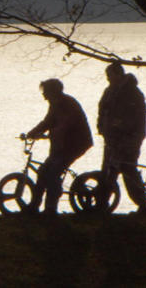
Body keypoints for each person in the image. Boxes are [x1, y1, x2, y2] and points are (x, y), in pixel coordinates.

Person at [24, 78, 93, 215]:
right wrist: (32, 133)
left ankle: (51, 208)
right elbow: (47, 122)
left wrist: (54, 132)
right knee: (43, 171)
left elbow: (67, 124)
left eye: (45, 92)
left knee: (53, 173)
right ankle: (34, 206)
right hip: (61, 145)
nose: (44, 96)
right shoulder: (55, 104)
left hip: (74, 144)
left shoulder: (68, 103)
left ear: (52, 92)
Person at [97, 62, 146, 214]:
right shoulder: (109, 91)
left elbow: (136, 116)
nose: (108, 79)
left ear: (119, 74)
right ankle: (101, 205)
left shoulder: (133, 92)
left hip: (129, 138)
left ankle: (143, 206)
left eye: (110, 76)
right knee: (109, 170)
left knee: (127, 170)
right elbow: (102, 110)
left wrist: (121, 125)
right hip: (111, 138)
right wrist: (101, 127)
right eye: (107, 76)